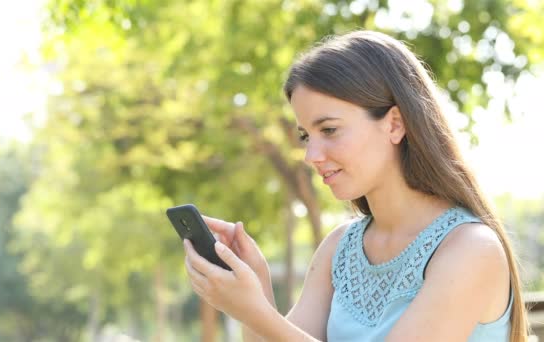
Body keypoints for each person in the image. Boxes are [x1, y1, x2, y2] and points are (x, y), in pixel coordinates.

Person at [182, 30, 529, 341]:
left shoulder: (470, 249)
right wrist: (257, 290)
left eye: (329, 130)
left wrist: (255, 311)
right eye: (306, 135)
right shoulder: (339, 248)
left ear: (394, 124)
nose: (311, 155)